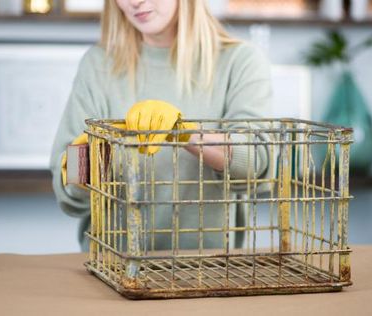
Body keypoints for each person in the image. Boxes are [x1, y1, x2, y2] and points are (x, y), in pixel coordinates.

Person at [50, 0, 271, 252]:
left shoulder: (240, 61)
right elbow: (70, 195)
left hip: (210, 268)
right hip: (112, 267)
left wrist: (183, 133)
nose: (134, 2)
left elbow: (255, 164)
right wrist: (85, 163)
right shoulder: (98, 64)